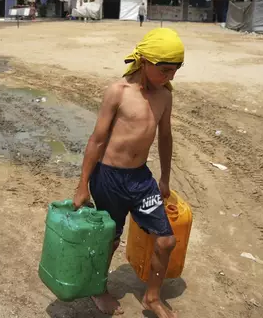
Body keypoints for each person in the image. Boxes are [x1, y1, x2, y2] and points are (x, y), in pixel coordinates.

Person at [72, 28, 184, 318]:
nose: (169, 77)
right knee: (110, 237)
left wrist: (165, 179)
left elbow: (166, 137)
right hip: (109, 177)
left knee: (166, 240)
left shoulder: (165, 97)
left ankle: (152, 297)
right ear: (144, 61)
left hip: (141, 179)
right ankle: (98, 288)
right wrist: (83, 184)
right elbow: (96, 140)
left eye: (175, 71)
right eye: (165, 70)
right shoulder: (118, 92)